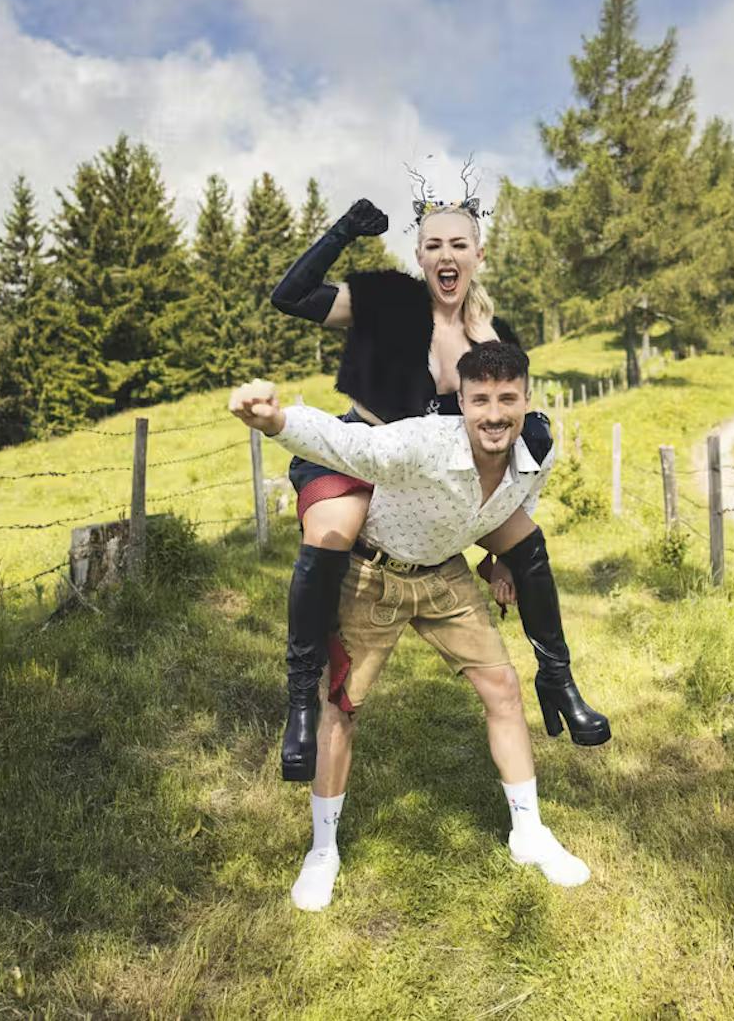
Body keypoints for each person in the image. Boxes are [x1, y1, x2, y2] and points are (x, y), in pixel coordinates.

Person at [229, 341, 591, 910]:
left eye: (507, 399)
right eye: (480, 401)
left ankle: (529, 833)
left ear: (526, 399)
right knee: (339, 709)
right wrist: (276, 420)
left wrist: (497, 562)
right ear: (462, 404)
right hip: (372, 574)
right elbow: (348, 443)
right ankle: (323, 850)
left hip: (444, 574)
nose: (494, 414)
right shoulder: (422, 443)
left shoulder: (536, 447)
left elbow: (523, 500)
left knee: (503, 687)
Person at [267, 193, 607, 785]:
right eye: (433, 245)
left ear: (477, 254)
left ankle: (559, 679)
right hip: (363, 455)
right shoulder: (387, 304)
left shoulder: (491, 332)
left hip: (432, 474)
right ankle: (301, 701)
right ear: (420, 256)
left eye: (458, 244)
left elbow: (502, 430)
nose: (446, 255)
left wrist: (495, 556)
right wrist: (345, 231)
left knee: (527, 541)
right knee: (333, 530)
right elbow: (289, 297)